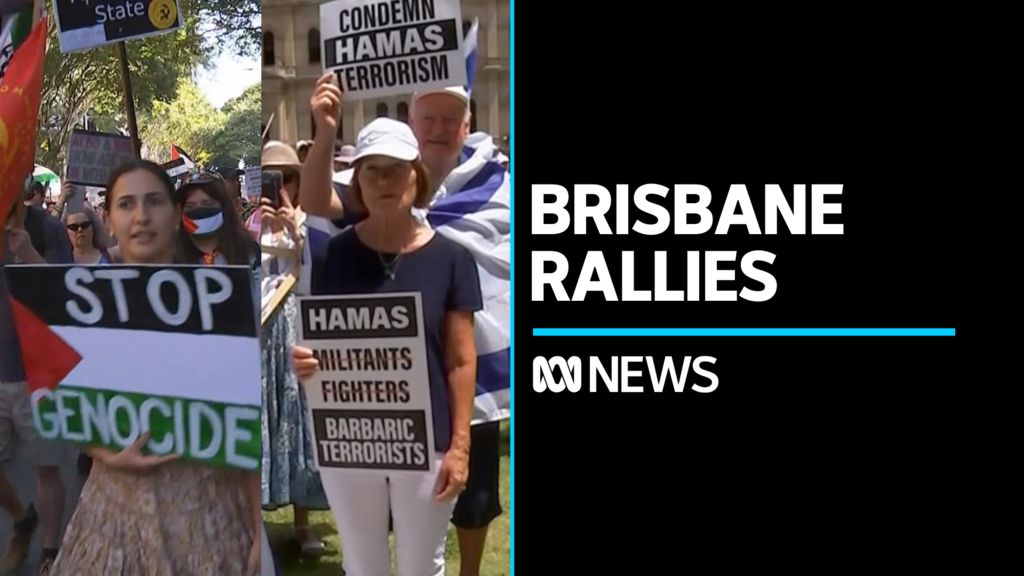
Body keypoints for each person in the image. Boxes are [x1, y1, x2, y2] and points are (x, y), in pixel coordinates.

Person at [302, 76, 511, 576]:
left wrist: (460, 447)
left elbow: (462, 359)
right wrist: (304, 360)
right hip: (351, 441)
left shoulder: (453, 257)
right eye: (371, 171)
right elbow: (321, 343)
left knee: (422, 566)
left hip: (430, 440)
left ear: (414, 176)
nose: (384, 180)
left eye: (395, 170)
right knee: (363, 565)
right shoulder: (334, 254)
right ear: (357, 182)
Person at [47, 160, 261, 575]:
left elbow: (245, 420)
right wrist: (105, 454)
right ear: (108, 219)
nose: (141, 216)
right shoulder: (81, 305)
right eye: (126, 204)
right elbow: (66, 405)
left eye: (154, 202)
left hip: (208, 515)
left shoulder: (219, 301)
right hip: (111, 512)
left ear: (175, 216)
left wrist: (256, 529)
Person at [258, 141, 330, 557]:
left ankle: (304, 523)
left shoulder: (311, 223)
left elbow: (320, 275)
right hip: (262, 336)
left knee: (301, 428)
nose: (281, 186)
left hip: (300, 333)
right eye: (273, 179)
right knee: (265, 424)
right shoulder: (249, 224)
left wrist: (293, 232)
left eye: (287, 178)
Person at [1, 175, 74, 575]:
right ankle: (21, 517)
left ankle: (49, 550)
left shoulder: (45, 227)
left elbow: (67, 290)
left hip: (39, 373)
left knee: (46, 466)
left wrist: (29, 253)